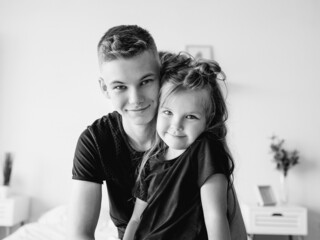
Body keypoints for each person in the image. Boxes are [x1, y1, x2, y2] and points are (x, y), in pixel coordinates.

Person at [123, 52, 247, 240]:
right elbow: (135, 220)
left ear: (208, 121)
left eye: (190, 117)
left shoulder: (206, 150)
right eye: (168, 112)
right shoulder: (151, 161)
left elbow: (215, 216)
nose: (176, 125)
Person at [68, 25, 161, 240]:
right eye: (120, 87)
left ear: (160, 75)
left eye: (146, 81)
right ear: (104, 88)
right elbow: (79, 234)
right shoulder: (96, 140)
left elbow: (226, 213)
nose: (136, 98)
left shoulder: (186, 127)